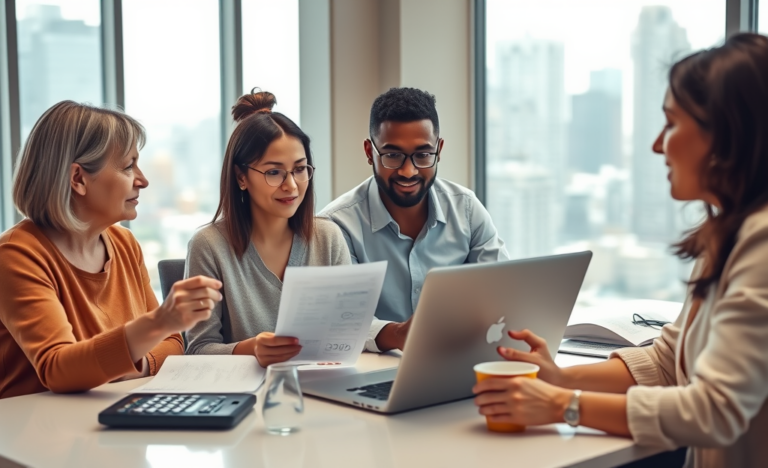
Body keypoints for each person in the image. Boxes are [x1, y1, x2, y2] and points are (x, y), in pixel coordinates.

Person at [473, 33, 768, 468]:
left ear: (725, 133)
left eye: (671, 123)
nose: (656, 144)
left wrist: (562, 404)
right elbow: (669, 363)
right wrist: (558, 377)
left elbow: (715, 410)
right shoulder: (728, 235)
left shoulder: (761, 244)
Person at [0, 101, 222, 399]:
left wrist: (133, 361)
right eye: (128, 166)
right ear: (78, 179)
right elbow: (58, 369)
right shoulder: (16, 255)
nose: (142, 180)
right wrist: (158, 323)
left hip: (116, 423)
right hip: (39, 437)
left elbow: (172, 343)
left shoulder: (124, 243)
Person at [319, 87, 508, 353]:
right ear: (368, 151)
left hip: (458, 360)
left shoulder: (466, 209)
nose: (409, 171)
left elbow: (504, 292)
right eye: (392, 155)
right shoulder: (336, 226)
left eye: (422, 155)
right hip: (375, 371)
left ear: (439, 149)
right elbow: (340, 321)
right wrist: (396, 334)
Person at [185, 90, 351, 367]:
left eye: (300, 169)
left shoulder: (328, 236)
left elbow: (348, 328)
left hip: (320, 389)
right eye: (274, 172)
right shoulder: (209, 245)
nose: (292, 186)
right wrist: (251, 349)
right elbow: (198, 350)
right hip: (247, 399)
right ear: (241, 177)